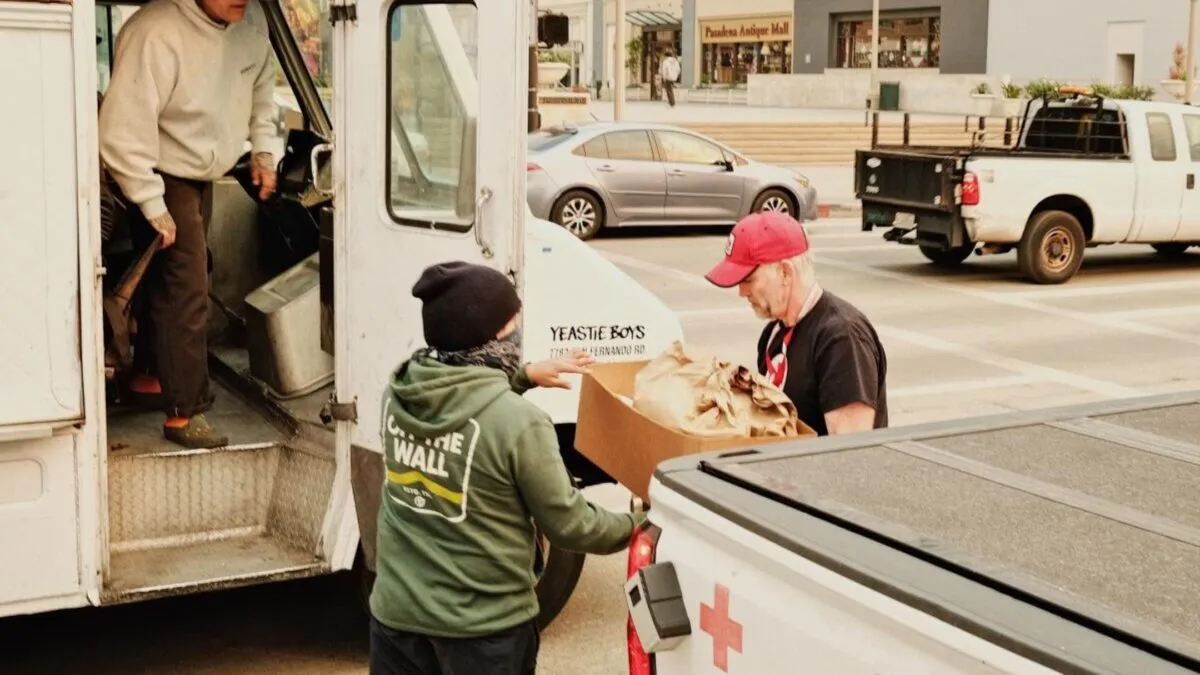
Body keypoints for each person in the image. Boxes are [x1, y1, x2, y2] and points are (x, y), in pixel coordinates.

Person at [369, 261, 642, 675]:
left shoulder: (399, 393)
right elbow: (572, 526)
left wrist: (523, 376)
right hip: (482, 634)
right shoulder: (520, 423)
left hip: (396, 620)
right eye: (513, 323)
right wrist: (640, 525)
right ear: (492, 338)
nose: (519, 333)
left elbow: (462, 401)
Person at [99, 0, 281, 448]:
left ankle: (149, 377)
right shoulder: (155, 31)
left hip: (203, 171)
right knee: (186, 287)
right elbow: (120, 131)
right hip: (156, 170)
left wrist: (264, 150)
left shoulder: (250, 27)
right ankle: (185, 412)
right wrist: (150, 200)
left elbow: (263, 94)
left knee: (170, 279)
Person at [705, 211, 888, 436]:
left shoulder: (841, 339)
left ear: (785, 272)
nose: (742, 292)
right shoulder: (773, 332)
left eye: (748, 279)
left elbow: (851, 447)